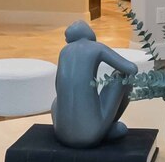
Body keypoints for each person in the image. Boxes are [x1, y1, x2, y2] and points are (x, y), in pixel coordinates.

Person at [50, 20, 140, 148]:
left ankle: (81, 129)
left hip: (61, 134)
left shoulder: (64, 51)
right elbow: (131, 69)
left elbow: (58, 87)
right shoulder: (97, 47)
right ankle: (105, 128)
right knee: (122, 76)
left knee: (56, 101)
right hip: (90, 135)